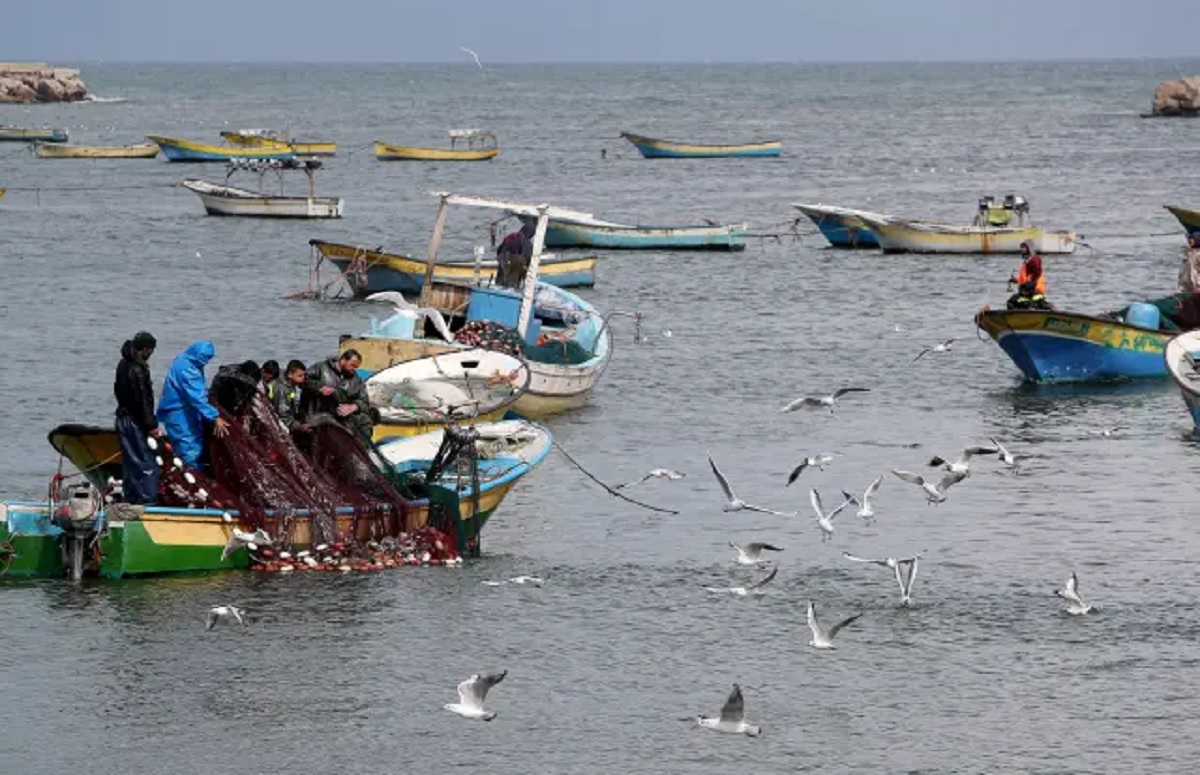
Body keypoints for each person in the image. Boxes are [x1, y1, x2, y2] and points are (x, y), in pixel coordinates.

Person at [156, 340, 230, 470]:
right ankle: (192, 480)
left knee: (194, 445)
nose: (205, 362)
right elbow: (196, 398)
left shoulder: (184, 361)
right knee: (188, 450)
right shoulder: (188, 370)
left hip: (186, 412)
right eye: (204, 358)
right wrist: (215, 416)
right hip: (178, 414)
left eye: (208, 359)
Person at [114, 331, 161, 504]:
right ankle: (146, 501)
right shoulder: (137, 369)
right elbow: (142, 399)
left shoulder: (123, 364)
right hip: (134, 421)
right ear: (145, 349)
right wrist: (152, 425)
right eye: (151, 351)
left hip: (122, 418)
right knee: (145, 462)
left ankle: (132, 497)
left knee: (130, 462)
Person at [304, 349, 372, 442]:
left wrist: (353, 407)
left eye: (356, 367)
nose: (354, 370)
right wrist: (319, 388)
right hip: (316, 415)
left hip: (339, 419)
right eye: (352, 365)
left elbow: (364, 401)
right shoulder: (321, 368)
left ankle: (360, 449)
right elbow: (302, 380)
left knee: (365, 420)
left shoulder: (356, 380)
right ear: (343, 360)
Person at [267, 359, 307, 432]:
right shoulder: (283, 390)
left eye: (304, 375)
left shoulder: (290, 383)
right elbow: (283, 415)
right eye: (300, 376)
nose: (303, 378)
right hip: (275, 419)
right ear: (290, 375)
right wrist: (298, 426)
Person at [1007, 241, 1048, 309]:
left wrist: (1032, 283)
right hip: (1026, 291)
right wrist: (1016, 280)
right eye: (1021, 248)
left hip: (1034, 291)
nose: (1022, 249)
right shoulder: (1026, 262)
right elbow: (1026, 278)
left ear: (1029, 248)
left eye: (1024, 247)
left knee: (1013, 302)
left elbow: (1037, 273)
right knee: (1011, 302)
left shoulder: (1034, 259)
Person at [496, 220, 535, 288]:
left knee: (500, 283)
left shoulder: (510, 236)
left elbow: (499, 250)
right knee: (512, 285)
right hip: (515, 264)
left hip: (503, 260)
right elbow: (527, 257)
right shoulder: (527, 243)